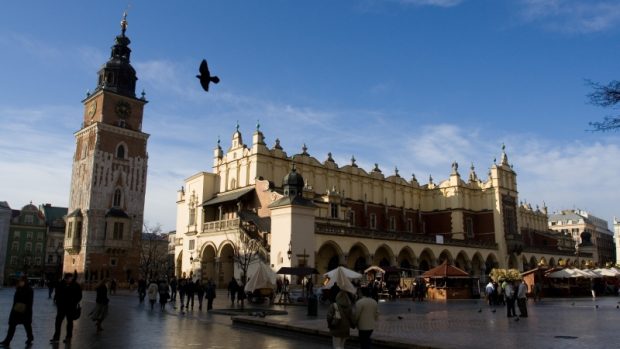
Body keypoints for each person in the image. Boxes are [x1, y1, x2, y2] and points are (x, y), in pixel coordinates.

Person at [0, 276, 34, 346]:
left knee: (27, 325)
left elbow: (29, 302)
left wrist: (25, 310)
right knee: (12, 325)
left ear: (25, 282)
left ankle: (30, 338)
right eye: (19, 282)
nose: (20, 283)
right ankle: (7, 341)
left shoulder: (29, 290)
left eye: (21, 281)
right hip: (16, 310)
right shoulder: (19, 288)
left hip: (24, 311)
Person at [50, 273, 82, 343]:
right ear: (66, 278)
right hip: (61, 307)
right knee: (58, 322)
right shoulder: (61, 284)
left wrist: (74, 302)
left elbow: (79, 296)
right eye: (69, 278)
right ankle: (56, 337)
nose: (70, 280)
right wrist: (58, 302)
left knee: (70, 323)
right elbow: (57, 293)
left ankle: (68, 337)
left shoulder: (76, 285)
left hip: (71, 307)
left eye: (71, 278)